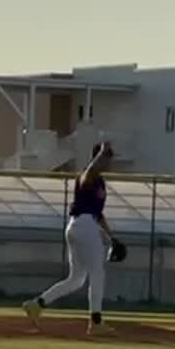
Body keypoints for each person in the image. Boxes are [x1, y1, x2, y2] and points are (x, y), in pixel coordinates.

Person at [25, 142, 121, 337]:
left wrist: (112, 238)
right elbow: (89, 173)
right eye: (108, 158)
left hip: (81, 226)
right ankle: (96, 322)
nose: (110, 162)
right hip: (83, 226)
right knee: (97, 274)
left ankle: (37, 304)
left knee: (76, 279)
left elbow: (99, 215)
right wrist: (101, 153)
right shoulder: (88, 174)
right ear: (99, 159)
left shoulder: (100, 181)